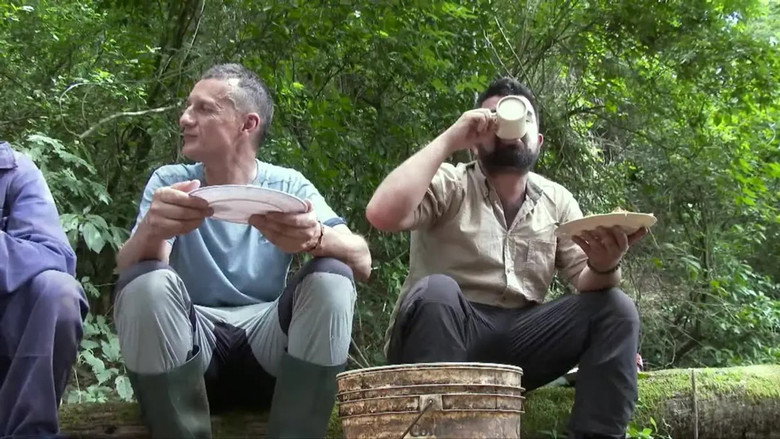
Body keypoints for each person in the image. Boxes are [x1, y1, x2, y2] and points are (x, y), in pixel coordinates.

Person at [366, 77, 647, 439]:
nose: (510, 126)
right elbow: (382, 215)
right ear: (474, 140)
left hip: (521, 342)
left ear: (538, 141)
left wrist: (605, 263)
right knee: (438, 291)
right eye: (493, 118)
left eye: (524, 117)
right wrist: (450, 139)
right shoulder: (451, 183)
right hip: (441, 332)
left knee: (616, 307)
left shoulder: (557, 200)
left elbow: (587, 280)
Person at [114, 64, 371, 438]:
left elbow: (362, 259)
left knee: (333, 277)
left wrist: (315, 237)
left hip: (270, 350)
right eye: (188, 106)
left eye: (204, 109)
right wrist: (152, 230)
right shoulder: (172, 181)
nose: (184, 118)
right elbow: (128, 268)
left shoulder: (288, 185)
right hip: (192, 350)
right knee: (144, 283)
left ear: (247, 124)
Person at [0, 141, 88, 437]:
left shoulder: (14, 172)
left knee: (58, 291)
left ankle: (30, 431)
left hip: (8, 349)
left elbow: (55, 255)